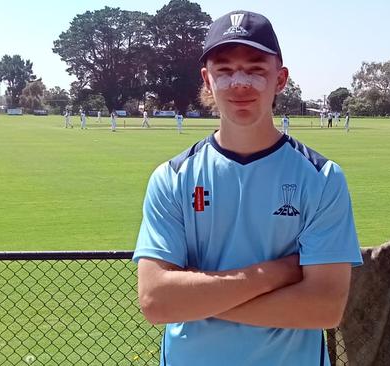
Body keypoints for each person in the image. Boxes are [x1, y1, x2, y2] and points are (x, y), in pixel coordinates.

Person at [133, 10, 362, 366]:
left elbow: (324, 308)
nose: (239, 83)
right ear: (207, 80)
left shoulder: (322, 177)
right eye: (224, 71)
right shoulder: (172, 177)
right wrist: (280, 272)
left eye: (256, 70)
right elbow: (156, 301)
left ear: (280, 79)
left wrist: (201, 301)